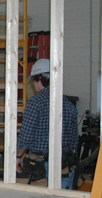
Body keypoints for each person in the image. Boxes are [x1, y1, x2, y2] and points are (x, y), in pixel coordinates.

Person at [16, 59, 79, 188]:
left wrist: (18, 156)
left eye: (34, 80)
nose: (34, 84)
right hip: (64, 165)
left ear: (40, 79)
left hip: (41, 167)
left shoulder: (35, 103)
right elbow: (74, 141)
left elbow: (25, 137)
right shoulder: (68, 104)